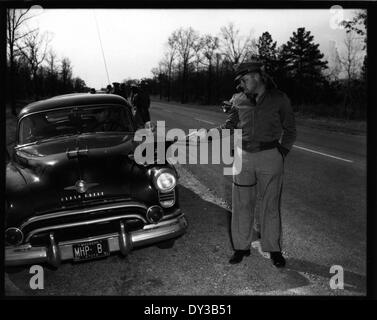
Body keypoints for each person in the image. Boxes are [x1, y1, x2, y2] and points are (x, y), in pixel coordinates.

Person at [194, 60, 296, 268]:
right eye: (239, 80)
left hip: (270, 155)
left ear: (258, 76)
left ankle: (274, 249)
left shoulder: (279, 99)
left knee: (270, 206)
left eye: (244, 78)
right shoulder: (238, 99)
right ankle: (241, 248)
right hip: (243, 156)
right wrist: (207, 135)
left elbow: (290, 129)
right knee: (241, 204)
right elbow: (229, 126)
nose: (240, 83)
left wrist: (281, 152)